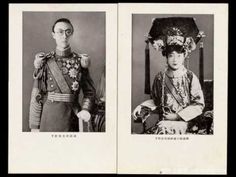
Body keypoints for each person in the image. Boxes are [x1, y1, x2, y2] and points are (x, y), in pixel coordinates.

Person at [132, 17, 205, 134]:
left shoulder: (190, 77)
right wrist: (142, 106)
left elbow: (198, 104)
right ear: (166, 56)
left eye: (179, 56)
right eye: (171, 55)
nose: (175, 60)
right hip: (164, 122)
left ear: (185, 55)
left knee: (165, 129)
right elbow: (155, 101)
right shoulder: (160, 77)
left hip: (185, 123)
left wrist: (177, 116)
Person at [29, 18, 96, 132]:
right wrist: (34, 126)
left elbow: (89, 92)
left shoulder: (79, 61)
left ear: (71, 34)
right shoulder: (46, 61)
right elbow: (37, 95)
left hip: (72, 117)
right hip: (48, 119)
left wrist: (85, 110)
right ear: (53, 35)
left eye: (68, 32)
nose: (64, 36)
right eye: (60, 32)